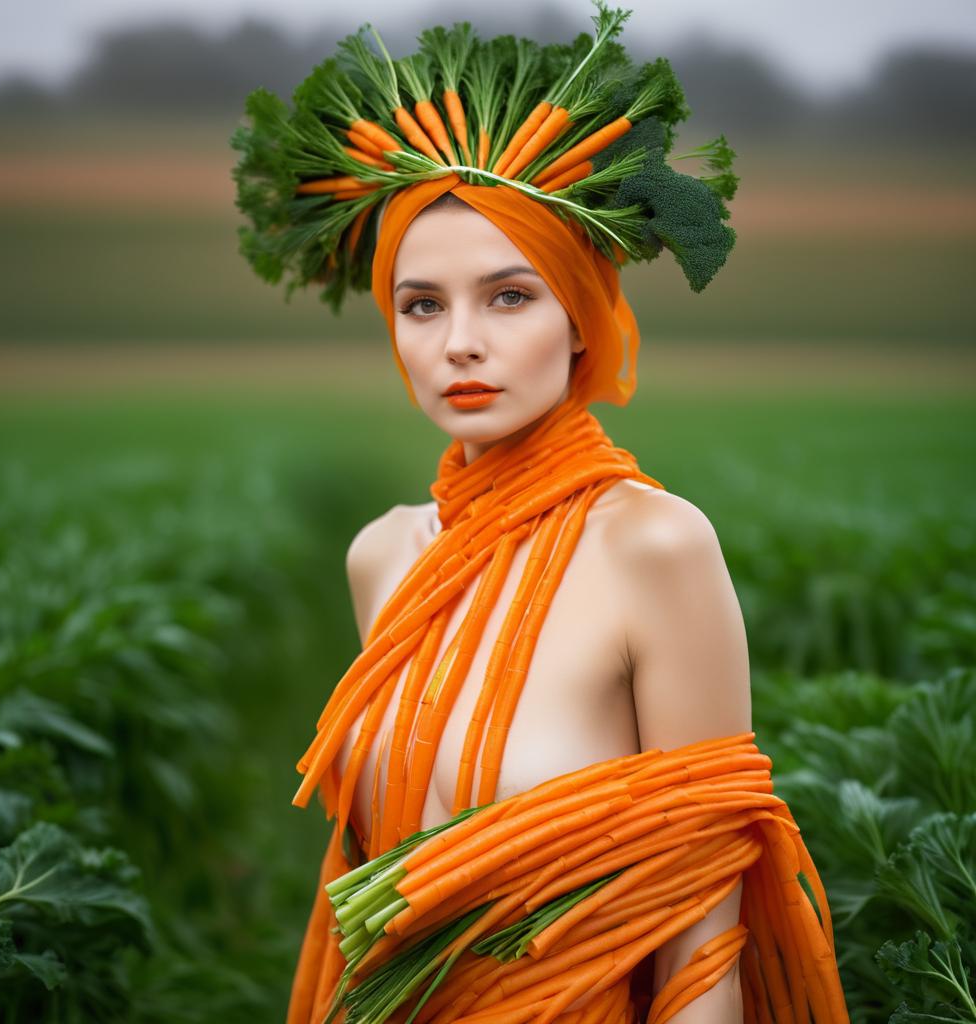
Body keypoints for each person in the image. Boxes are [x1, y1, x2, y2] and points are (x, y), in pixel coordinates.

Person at [231, 5, 851, 1022]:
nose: (459, 342)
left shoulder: (653, 545)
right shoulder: (382, 557)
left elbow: (703, 934)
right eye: (422, 304)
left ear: (579, 318)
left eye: (508, 296)